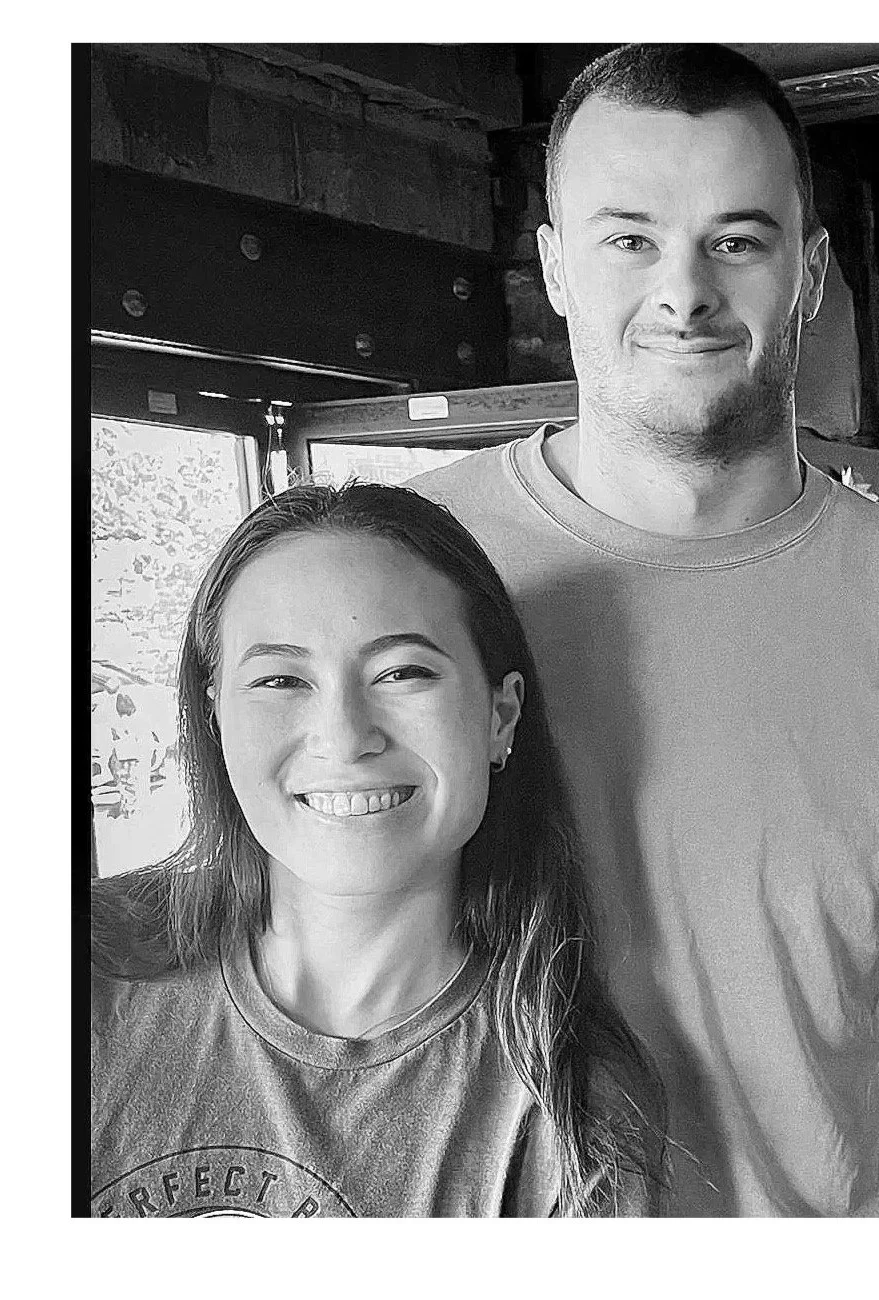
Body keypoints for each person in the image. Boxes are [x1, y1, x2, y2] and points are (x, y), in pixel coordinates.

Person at [407, 44, 879, 1216]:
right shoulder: (410, 577)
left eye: (737, 239)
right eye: (631, 238)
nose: (684, 291)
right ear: (558, 267)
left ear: (811, 272)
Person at [89, 483, 664, 1216]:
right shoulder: (90, 962)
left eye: (402, 672)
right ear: (214, 716)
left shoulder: (572, 1110)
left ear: (500, 716)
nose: (344, 735)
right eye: (279, 680)